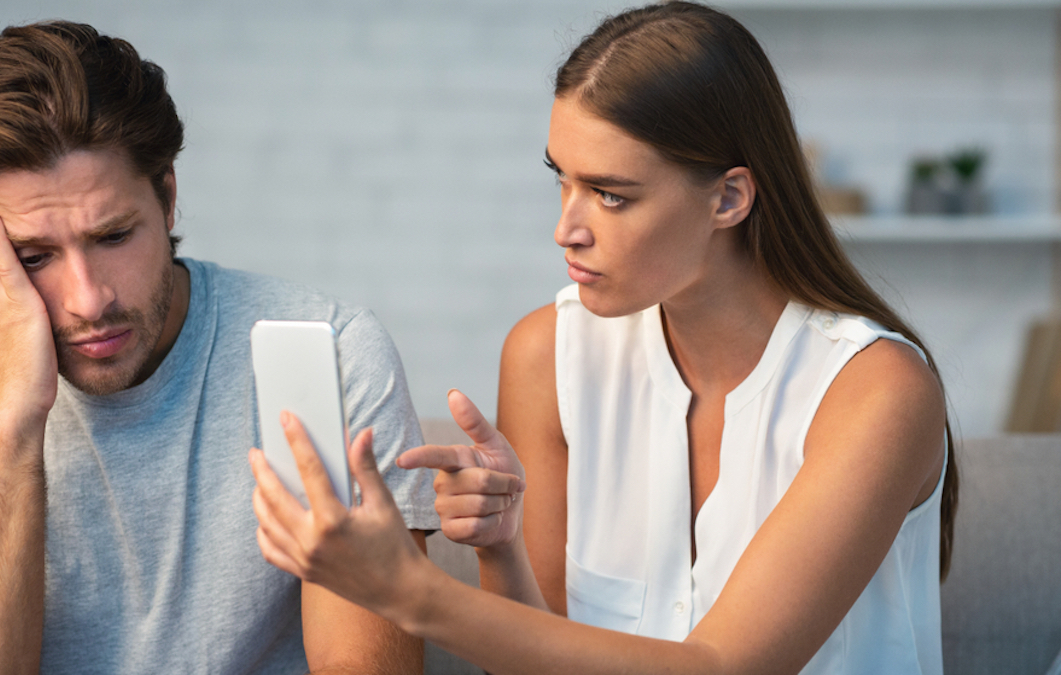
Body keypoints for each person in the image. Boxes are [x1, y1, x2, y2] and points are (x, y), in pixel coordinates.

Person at [248, 2, 958, 673]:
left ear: (729, 198)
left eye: (612, 194)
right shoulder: (547, 354)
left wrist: (408, 590)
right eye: (562, 180)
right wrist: (501, 551)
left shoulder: (878, 391)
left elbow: (724, 666)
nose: (567, 228)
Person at [0, 21, 439, 674]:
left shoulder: (330, 359)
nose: (89, 299)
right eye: (34, 256)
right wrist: (14, 420)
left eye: (112, 236)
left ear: (166, 197)